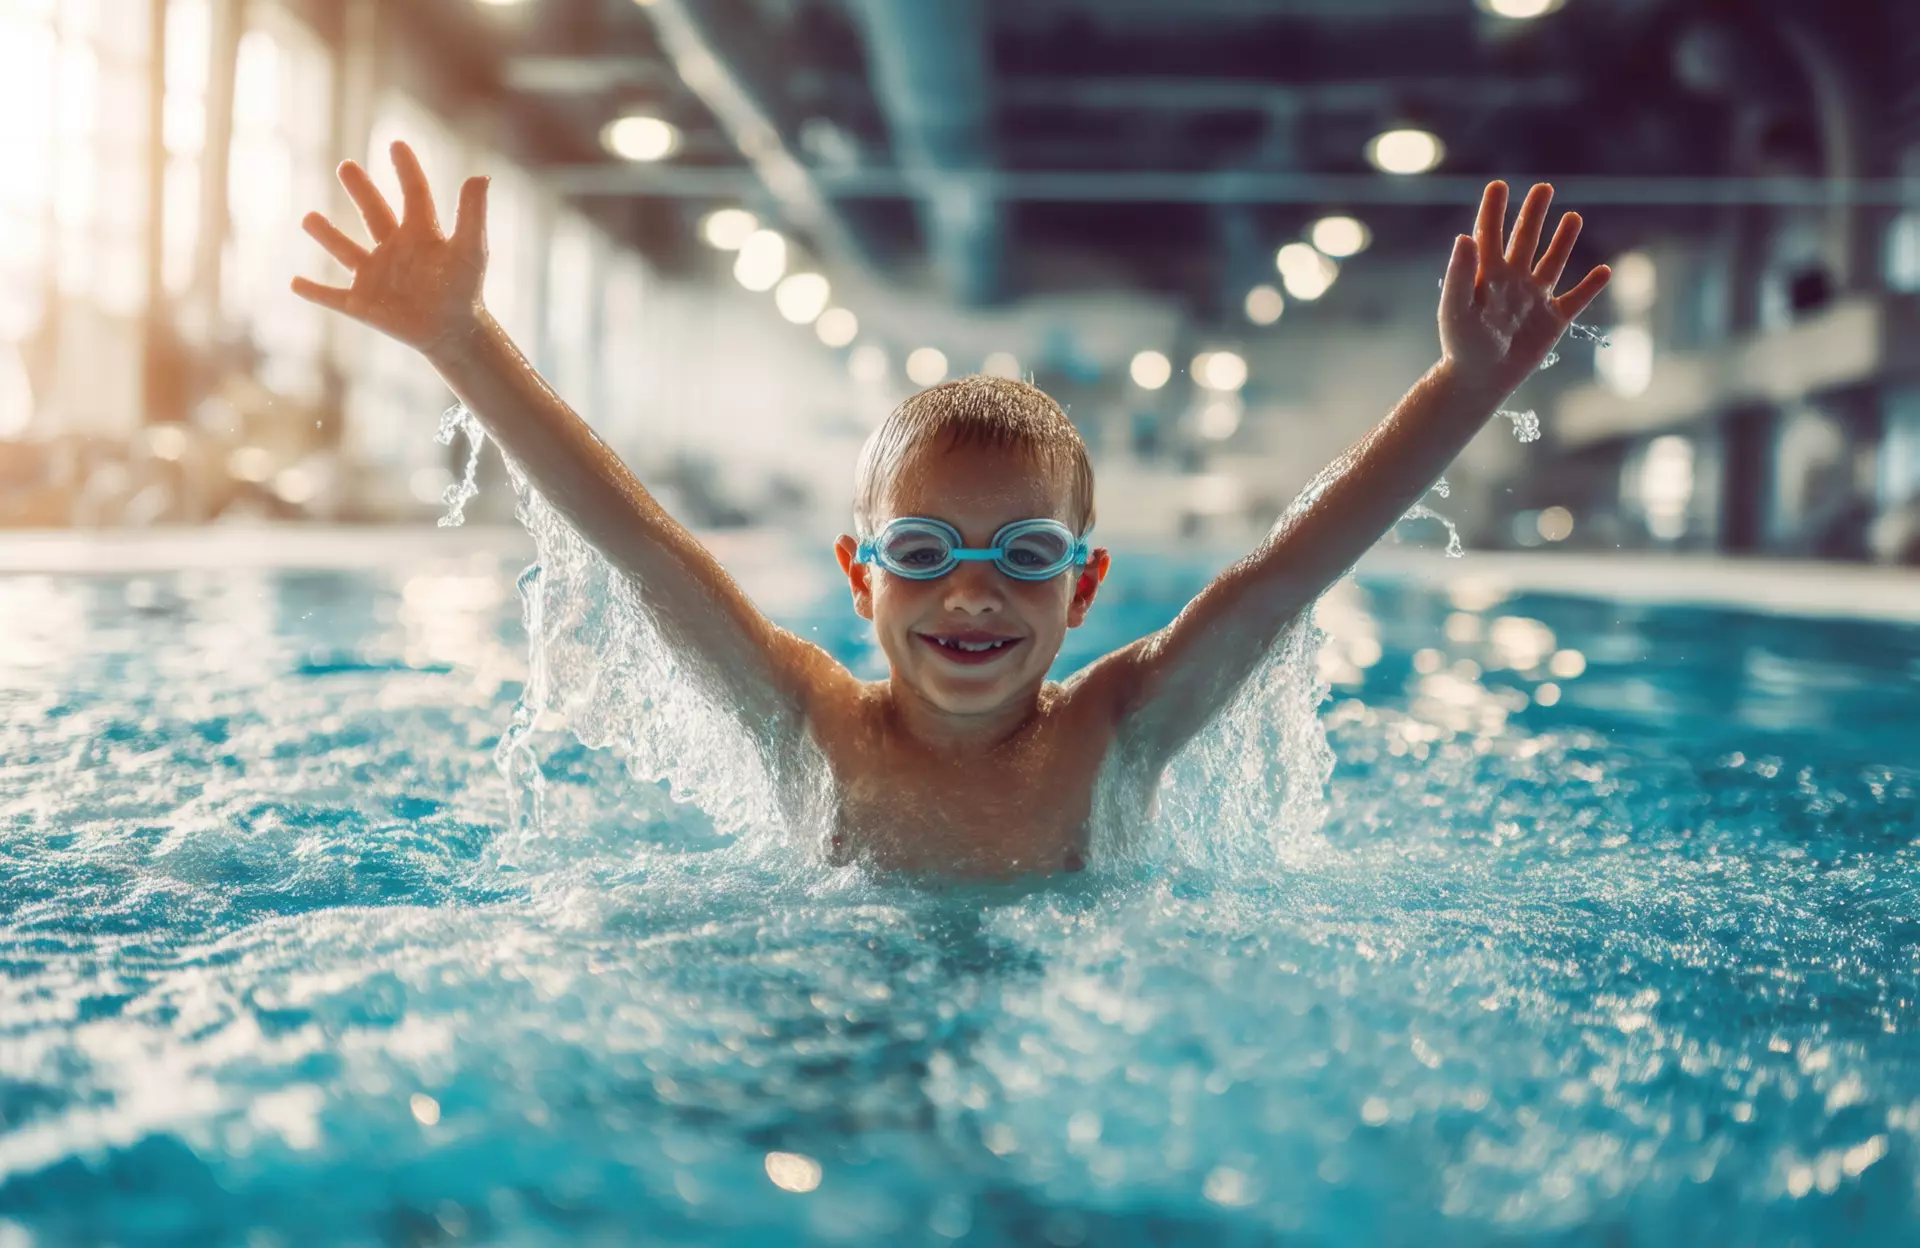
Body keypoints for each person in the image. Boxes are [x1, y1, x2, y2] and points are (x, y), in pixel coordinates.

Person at [295, 142, 1609, 879]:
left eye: (1023, 557)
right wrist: (466, 342)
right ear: (860, 576)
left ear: (1085, 589)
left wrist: (1465, 384)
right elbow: (640, 547)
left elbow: (1278, 580)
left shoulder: (1119, 728)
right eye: (922, 554)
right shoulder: (804, 716)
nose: (971, 592)